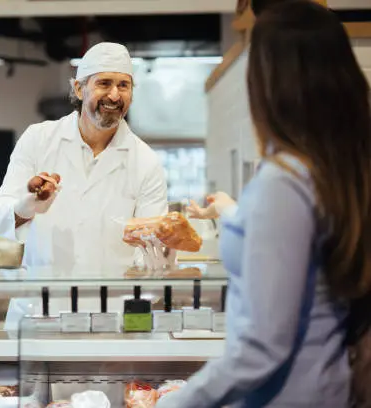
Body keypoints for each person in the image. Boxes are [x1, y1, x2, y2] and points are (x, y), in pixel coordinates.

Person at [158, 1, 371, 407]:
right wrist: (230, 211)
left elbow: (261, 348)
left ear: (272, 84)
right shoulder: (335, 170)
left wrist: (177, 403)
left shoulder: (284, 181)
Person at [0, 42, 172, 270]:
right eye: (104, 83)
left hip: (109, 300)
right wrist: (28, 206)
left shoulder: (145, 161)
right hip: (42, 299)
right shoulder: (38, 139)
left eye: (123, 85)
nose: (114, 95)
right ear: (78, 89)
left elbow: (154, 246)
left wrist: (159, 258)